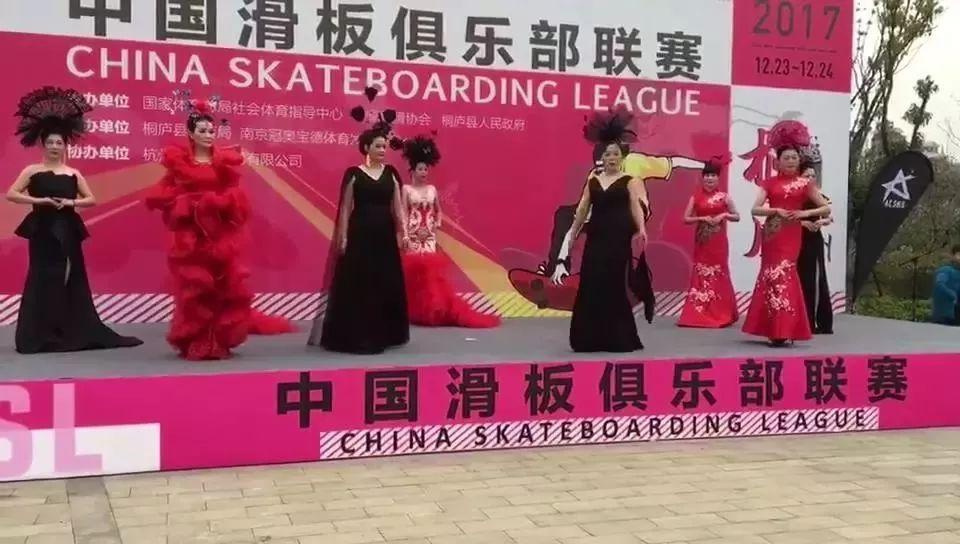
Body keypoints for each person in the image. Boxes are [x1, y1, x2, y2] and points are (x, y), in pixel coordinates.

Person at [145, 92, 292, 361]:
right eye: (202, 130)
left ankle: (217, 338)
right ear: (191, 134)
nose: (208, 135)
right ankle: (195, 337)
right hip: (191, 237)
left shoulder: (223, 162)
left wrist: (219, 201)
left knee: (222, 286)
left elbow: (236, 194)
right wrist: (186, 202)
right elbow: (163, 192)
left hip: (219, 235)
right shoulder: (180, 163)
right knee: (195, 288)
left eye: (211, 130)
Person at [6, 86, 142, 354]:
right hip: (42, 229)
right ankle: (35, 335)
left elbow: (90, 199)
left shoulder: (73, 173)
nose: (55, 147)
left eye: (59, 143)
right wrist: (40, 201)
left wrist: (70, 203)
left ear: (65, 145)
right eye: (50, 143)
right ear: (43, 144)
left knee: (70, 277)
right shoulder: (31, 170)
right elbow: (11, 194)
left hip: (67, 228)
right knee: (41, 276)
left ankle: (66, 330)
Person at [308, 89, 410, 354]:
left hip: (384, 234)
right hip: (360, 232)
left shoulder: (391, 174)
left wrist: (403, 233)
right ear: (366, 148)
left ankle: (386, 332)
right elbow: (345, 208)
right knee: (360, 282)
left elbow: (398, 207)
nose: (382, 151)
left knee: (383, 280)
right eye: (378, 146)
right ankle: (356, 331)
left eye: (384, 147)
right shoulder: (354, 174)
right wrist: (342, 236)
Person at [565, 108, 649, 352]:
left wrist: (641, 229)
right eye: (608, 154)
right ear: (602, 156)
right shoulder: (593, 179)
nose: (611, 158)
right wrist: (573, 231)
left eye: (615, 154)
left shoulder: (630, 180)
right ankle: (588, 338)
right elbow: (583, 208)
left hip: (619, 235)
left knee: (613, 282)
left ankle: (617, 337)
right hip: (597, 234)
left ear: (621, 157)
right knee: (592, 280)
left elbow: (635, 206)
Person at [742, 122, 832, 346]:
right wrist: (775, 210)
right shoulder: (769, 183)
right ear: (778, 161)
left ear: (799, 160)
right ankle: (773, 328)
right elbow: (755, 209)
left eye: (794, 158)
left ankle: (784, 329)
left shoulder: (805, 184)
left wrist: (804, 213)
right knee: (770, 276)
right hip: (773, 234)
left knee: (785, 275)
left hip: (792, 236)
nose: (791, 161)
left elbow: (825, 208)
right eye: (787, 158)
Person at [399, 134, 500, 328]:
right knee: (413, 275)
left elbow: (438, 212)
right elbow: (403, 213)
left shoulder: (432, 190)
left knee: (430, 274)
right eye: (420, 169)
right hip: (412, 235)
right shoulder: (406, 190)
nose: (423, 172)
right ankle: (413, 310)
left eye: (426, 169)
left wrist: (432, 227)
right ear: (412, 170)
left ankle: (431, 310)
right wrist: (406, 234)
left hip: (429, 236)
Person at [677, 160, 740, 328]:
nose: (709, 178)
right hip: (702, 241)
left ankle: (721, 312)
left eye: (713, 175)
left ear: (718, 178)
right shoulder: (696, 197)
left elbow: (737, 216)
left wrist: (724, 215)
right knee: (701, 272)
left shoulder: (724, 197)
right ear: (702, 178)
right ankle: (699, 313)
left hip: (718, 243)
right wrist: (701, 218)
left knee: (719, 273)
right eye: (707, 175)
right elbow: (685, 218)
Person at [797, 155, 834, 334]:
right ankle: (801, 321)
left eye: (813, 176)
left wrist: (821, 222)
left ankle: (819, 322)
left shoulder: (819, 195)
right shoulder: (793, 195)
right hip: (796, 238)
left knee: (817, 279)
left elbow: (829, 216)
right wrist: (802, 223)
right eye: (806, 175)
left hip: (814, 239)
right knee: (799, 278)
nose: (810, 178)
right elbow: (784, 217)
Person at [931, 245, 960, 326]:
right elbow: (939, 284)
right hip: (945, 314)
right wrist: (952, 294)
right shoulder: (945, 270)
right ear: (953, 256)